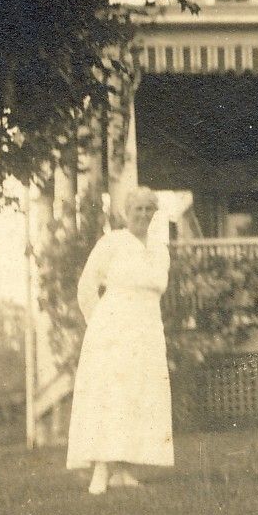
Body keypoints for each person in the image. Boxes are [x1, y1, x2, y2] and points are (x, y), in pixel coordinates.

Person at [67, 186, 173, 495]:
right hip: (113, 330)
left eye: (148, 209)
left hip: (147, 329)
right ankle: (101, 469)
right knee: (110, 395)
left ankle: (123, 470)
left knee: (138, 396)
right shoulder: (111, 243)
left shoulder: (159, 249)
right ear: (126, 213)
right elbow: (86, 287)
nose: (143, 214)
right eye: (138, 209)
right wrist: (100, 325)